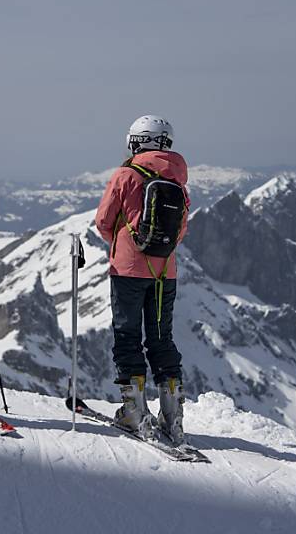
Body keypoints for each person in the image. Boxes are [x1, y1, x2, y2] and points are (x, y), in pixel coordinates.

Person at [94, 115, 191, 444]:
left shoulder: (126, 174)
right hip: (166, 271)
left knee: (127, 336)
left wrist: (125, 244)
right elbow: (182, 228)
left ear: (135, 141)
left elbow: (103, 221)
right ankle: (173, 417)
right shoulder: (178, 177)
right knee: (162, 340)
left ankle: (135, 412)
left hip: (128, 271)